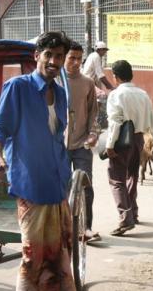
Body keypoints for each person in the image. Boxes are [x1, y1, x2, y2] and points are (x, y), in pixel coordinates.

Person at [0, 31, 75, 290]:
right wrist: (0, 160)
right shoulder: (18, 87)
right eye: (48, 55)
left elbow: (58, 137)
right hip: (30, 185)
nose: (54, 61)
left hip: (58, 184)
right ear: (37, 56)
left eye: (59, 56)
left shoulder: (59, 93)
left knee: (59, 254)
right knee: (32, 256)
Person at [105, 60, 153, 236]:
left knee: (116, 179)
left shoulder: (116, 95)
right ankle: (133, 213)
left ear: (115, 77)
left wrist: (110, 145)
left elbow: (115, 122)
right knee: (131, 176)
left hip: (121, 141)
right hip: (139, 139)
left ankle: (125, 218)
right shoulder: (143, 94)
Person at [64, 41, 100, 242]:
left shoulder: (87, 83)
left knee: (86, 186)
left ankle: (86, 228)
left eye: (79, 58)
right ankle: (63, 228)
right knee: (60, 187)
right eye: (72, 58)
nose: (76, 62)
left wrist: (93, 134)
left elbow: (94, 114)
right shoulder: (56, 81)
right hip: (58, 146)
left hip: (82, 145)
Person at [82, 41, 114, 129]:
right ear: (100, 50)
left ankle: (93, 119)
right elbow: (100, 75)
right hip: (87, 81)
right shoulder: (96, 56)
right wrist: (110, 86)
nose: (105, 52)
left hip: (90, 81)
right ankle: (96, 119)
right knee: (102, 96)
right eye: (104, 50)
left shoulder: (95, 56)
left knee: (95, 99)